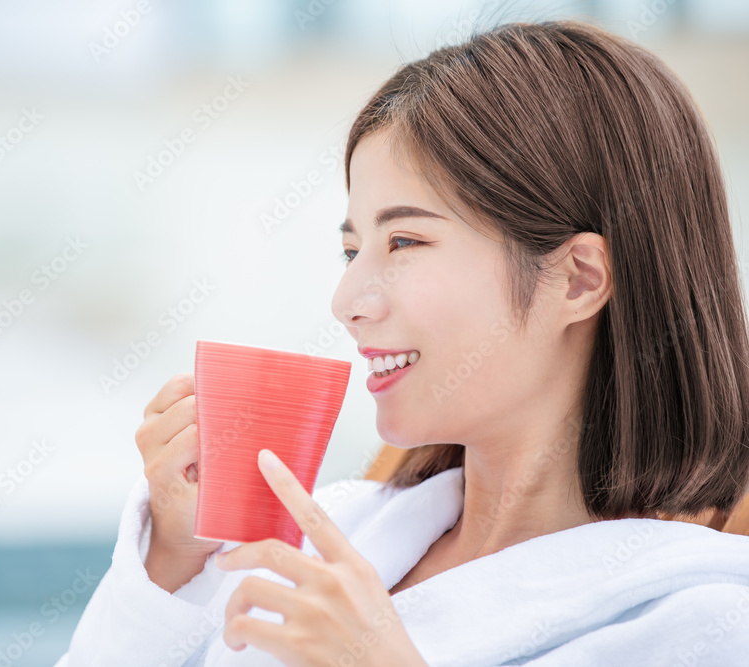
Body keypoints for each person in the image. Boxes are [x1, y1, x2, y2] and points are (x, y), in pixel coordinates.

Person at [55, 18, 749, 666]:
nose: (347, 302)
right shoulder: (328, 530)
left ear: (576, 279)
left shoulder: (700, 624)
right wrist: (171, 559)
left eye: (405, 240)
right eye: (351, 249)